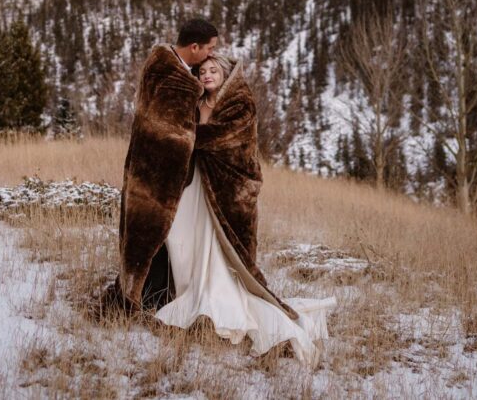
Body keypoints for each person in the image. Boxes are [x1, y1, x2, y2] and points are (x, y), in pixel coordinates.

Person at [155, 52, 337, 366]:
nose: (207, 75)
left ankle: (218, 304)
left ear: (225, 74)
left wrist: (188, 137)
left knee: (217, 251)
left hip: (225, 191)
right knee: (182, 239)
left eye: (213, 70)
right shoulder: (198, 105)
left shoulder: (239, 104)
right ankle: (190, 291)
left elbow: (221, 141)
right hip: (197, 184)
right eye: (202, 71)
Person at [102, 18, 218, 312]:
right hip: (157, 171)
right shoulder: (172, 79)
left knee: (153, 233)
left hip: (147, 166)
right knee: (150, 232)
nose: (211, 54)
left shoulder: (167, 65)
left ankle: (153, 293)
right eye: (210, 48)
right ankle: (143, 297)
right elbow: (172, 134)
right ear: (194, 47)